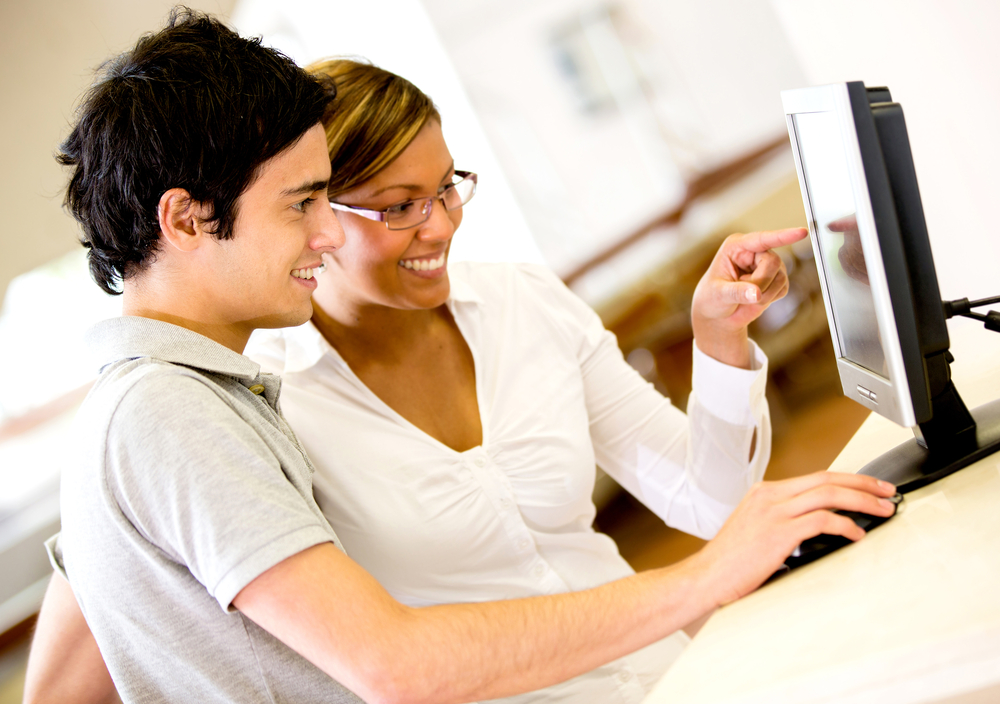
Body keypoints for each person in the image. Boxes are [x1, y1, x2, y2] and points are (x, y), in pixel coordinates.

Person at [24, 11, 898, 704]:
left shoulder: (196, 397)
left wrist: (719, 344)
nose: (325, 234)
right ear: (184, 218)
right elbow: (397, 669)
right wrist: (705, 578)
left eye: (447, 190)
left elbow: (83, 629)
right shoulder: (184, 409)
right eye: (308, 205)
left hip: (667, 671)